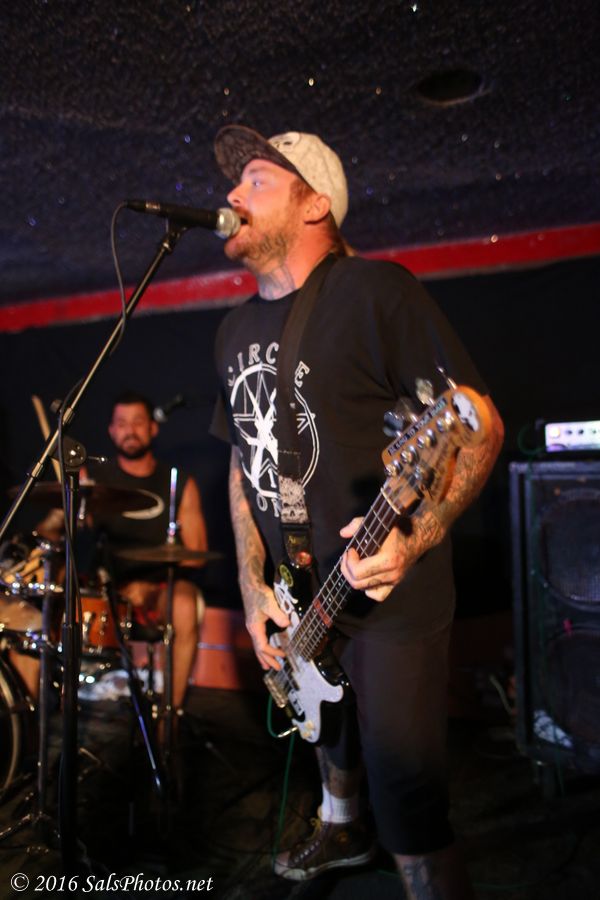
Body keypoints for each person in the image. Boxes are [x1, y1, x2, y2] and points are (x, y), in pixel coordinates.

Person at [210, 125, 504, 899]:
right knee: (326, 730)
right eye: (235, 183)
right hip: (302, 589)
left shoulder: (378, 291)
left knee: (411, 808)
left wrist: (421, 534)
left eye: (256, 180)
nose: (231, 195)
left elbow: (478, 423)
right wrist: (251, 588)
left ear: (315, 204)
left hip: (391, 598)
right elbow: (242, 462)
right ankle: (340, 825)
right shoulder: (231, 330)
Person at [90, 391, 209, 713]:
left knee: (184, 603)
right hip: (104, 587)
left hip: (159, 588)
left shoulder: (179, 483)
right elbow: (59, 527)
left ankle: (170, 717)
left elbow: (197, 552)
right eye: (122, 423)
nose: (130, 430)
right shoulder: (94, 480)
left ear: (152, 428)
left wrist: (149, 585)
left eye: (138, 422)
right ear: (111, 430)